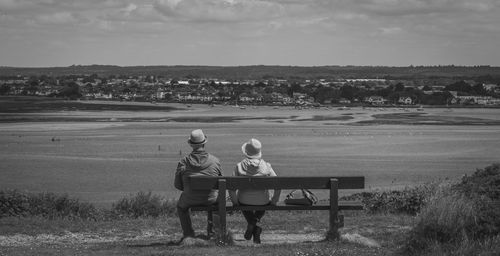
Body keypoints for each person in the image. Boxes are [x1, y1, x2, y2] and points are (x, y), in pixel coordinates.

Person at [229, 138, 280, 244]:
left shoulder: (239, 166)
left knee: (243, 201)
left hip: (244, 200)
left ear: (246, 152)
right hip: (263, 201)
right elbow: (278, 184)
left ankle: (253, 225)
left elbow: (232, 187)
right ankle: (254, 225)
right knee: (264, 201)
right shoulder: (266, 166)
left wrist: (235, 203)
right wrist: (274, 201)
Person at [174, 129, 222, 239]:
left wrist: (188, 189)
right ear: (204, 143)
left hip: (190, 198)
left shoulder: (183, 162)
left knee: (181, 207)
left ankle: (188, 233)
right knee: (216, 202)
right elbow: (220, 184)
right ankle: (213, 232)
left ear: (191, 144)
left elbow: (177, 185)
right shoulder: (215, 161)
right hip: (211, 198)